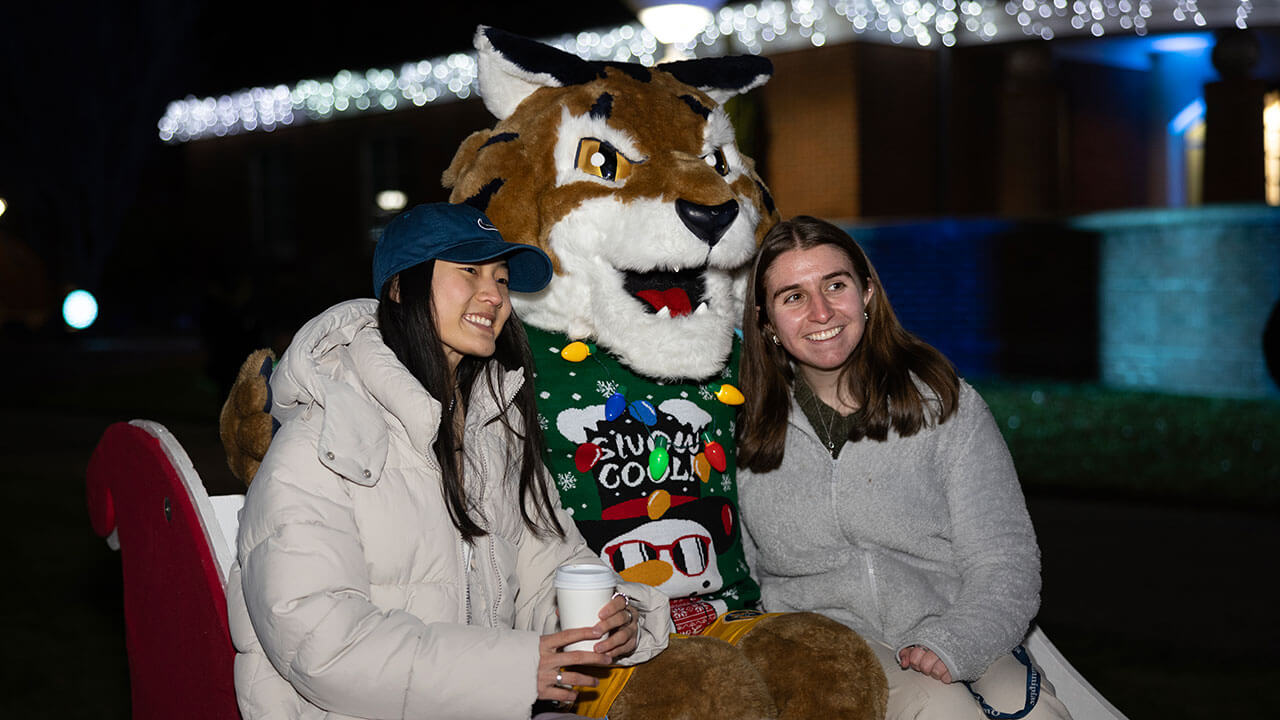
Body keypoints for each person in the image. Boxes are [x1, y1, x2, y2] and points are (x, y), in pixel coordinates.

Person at [226, 202, 669, 720]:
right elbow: (322, 645)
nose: (495, 296)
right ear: (400, 288)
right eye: (469, 272)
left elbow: (550, 565)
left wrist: (616, 618)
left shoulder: (494, 432)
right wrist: (514, 670)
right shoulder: (320, 442)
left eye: (502, 279)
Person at [735, 216, 1070, 720]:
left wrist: (957, 640)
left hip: (956, 622)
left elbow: (1006, 559)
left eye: (835, 285)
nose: (821, 311)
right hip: (821, 650)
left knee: (1039, 715)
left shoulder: (944, 407)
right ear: (766, 321)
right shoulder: (743, 429)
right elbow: (743, 571)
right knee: (942, 710)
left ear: (867, 293)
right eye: (794, 297)